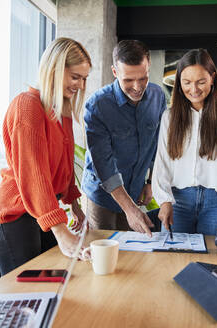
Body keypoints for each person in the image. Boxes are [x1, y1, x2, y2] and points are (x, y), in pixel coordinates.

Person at [0, 37, 91, 275]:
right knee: (27, 300)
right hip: (16, 216)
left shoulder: (61, 111)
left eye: (84, 78)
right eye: (75, 77)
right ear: (54, 69)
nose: (81, 85)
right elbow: (35, 175)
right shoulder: (27, 106)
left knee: (59, 282)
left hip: (43, 211)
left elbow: (65, 165)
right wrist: (62, 232)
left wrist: (74, 205)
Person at [152, 49, 217, 238]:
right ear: (179, 82)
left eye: (201, 82)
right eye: (187, 82)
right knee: (173, 259)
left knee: (213, 262)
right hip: (177, 201)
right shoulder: (169, 117)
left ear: (212, 79)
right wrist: (164, 201)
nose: (194, 89)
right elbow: (162, 163)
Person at [82, 40, 166, 237]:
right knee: (105, 249)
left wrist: (150, 181)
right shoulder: (97, 106)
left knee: (128, 250)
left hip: (135, 188)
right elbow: (104, 166)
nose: (137, 87)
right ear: (114, 72)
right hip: (101, 196)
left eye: (143, 78)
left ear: (148, 68)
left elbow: (158, 144)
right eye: (128, 80)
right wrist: (129, 209)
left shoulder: (157, 96)